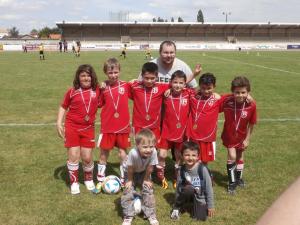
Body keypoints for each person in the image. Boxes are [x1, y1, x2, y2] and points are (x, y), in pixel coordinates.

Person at [56, 64, 100, 194]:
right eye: (83, 75)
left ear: (92, 77)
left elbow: (112, 87)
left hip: (88, 128)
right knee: (74, 155)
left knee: (86, 157)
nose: (86, 78)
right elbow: (63, 106)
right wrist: (59, 122)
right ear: (78, 77)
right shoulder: (72, 91)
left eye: (88, 75)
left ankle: (88, 179)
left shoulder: (97, 90)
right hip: (72, 127)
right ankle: (74, 182)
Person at [96, 58, 131, 187]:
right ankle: (100, 178)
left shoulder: (126, 85)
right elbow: (99, 104)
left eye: (116, 72)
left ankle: (124, 177)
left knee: (123, 153)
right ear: (106, 73)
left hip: (123, 126)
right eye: (110, 73)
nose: (113, 75)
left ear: (119, 71)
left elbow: (138, 93)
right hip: (108, 126)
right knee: (104, 152)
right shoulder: (103, 87)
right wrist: (100, 89)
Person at [220, 76, 257, 194]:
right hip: (229, 135)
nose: (240, 95)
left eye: (243, 92)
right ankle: (232, 183)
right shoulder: (227, 100)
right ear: (232, 92)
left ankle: (239, 178)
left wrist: (247, 139)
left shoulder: (252, 105)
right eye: (237, 92)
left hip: (242, 136)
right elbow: (214, 98)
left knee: (240, 156)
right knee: (232, 156)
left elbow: (251, 124)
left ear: (248, 92)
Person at [156, 70, 192, 189]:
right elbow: (154, 85)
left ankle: (177, 177)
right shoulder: (166, 93)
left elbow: (202, 92)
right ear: (170, 82)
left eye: (181, 83)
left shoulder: (188, 94)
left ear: (184, 84)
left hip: (181, 133)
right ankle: (161, 177)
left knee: (179, 156)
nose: (178, 85)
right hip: (166, 131)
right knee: (161, 154)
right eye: (175, 82)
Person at [121, 128, 159, 225]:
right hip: (130, 172)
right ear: (137, 145)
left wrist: (146, 179)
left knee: (148, 189)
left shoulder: (154, 152)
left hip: (143, 171)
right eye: (145, 147)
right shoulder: (133, 153)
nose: (148, 150)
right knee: (128, 190)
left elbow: (150, 167)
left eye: (151, 146)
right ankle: (128, 215)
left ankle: (151, 214)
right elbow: (130, 168)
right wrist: (129, 180)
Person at [170, 141, 214, 221]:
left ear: (198, 157)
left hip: (200, 196)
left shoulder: (202, 169)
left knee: (201, 218)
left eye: (194, 155)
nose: (190, 158)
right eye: (187, 155)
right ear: (182, 155)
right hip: (188, 192)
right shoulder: (181, 170)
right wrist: (176, 203)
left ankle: (195, 205)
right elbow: (178, 188)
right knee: (188, 188)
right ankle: (179, 207)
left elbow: (209, 188)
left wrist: (210, 206)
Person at [186, 73, 222, 165]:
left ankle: (203, 175)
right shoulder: (193, 96)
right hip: (193, 134)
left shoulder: (217, 99)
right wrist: (170, 89)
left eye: (209, 88)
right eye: (203, 88)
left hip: (207, 136)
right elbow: (180, 85)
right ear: (199, 87)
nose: (206, 91)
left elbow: (233, 97)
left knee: (205, 160)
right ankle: (191, 175)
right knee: (192, 157)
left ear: (214, 87)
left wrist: (248, 96)